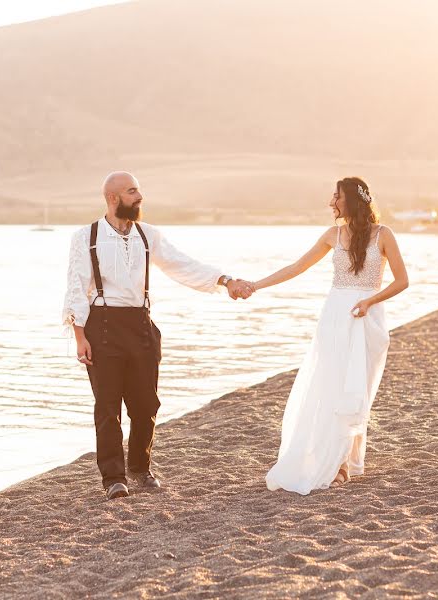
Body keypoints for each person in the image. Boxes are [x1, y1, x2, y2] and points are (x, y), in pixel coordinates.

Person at [61, 172, 254, 500]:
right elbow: (76, 287)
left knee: (146, 404)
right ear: (113, 198)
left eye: (138, 190)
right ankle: (113, 479)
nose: (140, 197)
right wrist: (79, 336)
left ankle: (139, 468)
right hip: (102, 326)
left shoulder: (147, 235)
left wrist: (226, 280)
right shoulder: (87, 237)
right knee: (108, 407)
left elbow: (183, 265)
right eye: (132, 191)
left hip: (141, 325)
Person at [245, 177, 408, 494]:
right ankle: (340, 464)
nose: (332, 202)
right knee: (333, 385)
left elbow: (402, 281)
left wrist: (370, 301)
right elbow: (296, 267)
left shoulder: (383, 235)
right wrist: (256, 284)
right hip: (335, 316)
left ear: (353, 200)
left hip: (368, 316)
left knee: (357, 389)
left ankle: (345, 459)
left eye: (337, 196)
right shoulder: (332, 235)